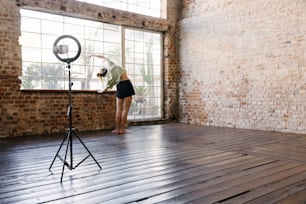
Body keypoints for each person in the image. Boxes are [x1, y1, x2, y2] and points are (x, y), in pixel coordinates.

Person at [91, 54, 135, 134]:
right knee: (125, 110)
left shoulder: (109, 77)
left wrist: (102, 91)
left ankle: (117, 129)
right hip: (127, 85)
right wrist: (93, 55)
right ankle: (122, 129)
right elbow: (103, 57)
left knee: (118, 109)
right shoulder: (112, 65)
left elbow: (107, 87)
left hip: (119, 87)